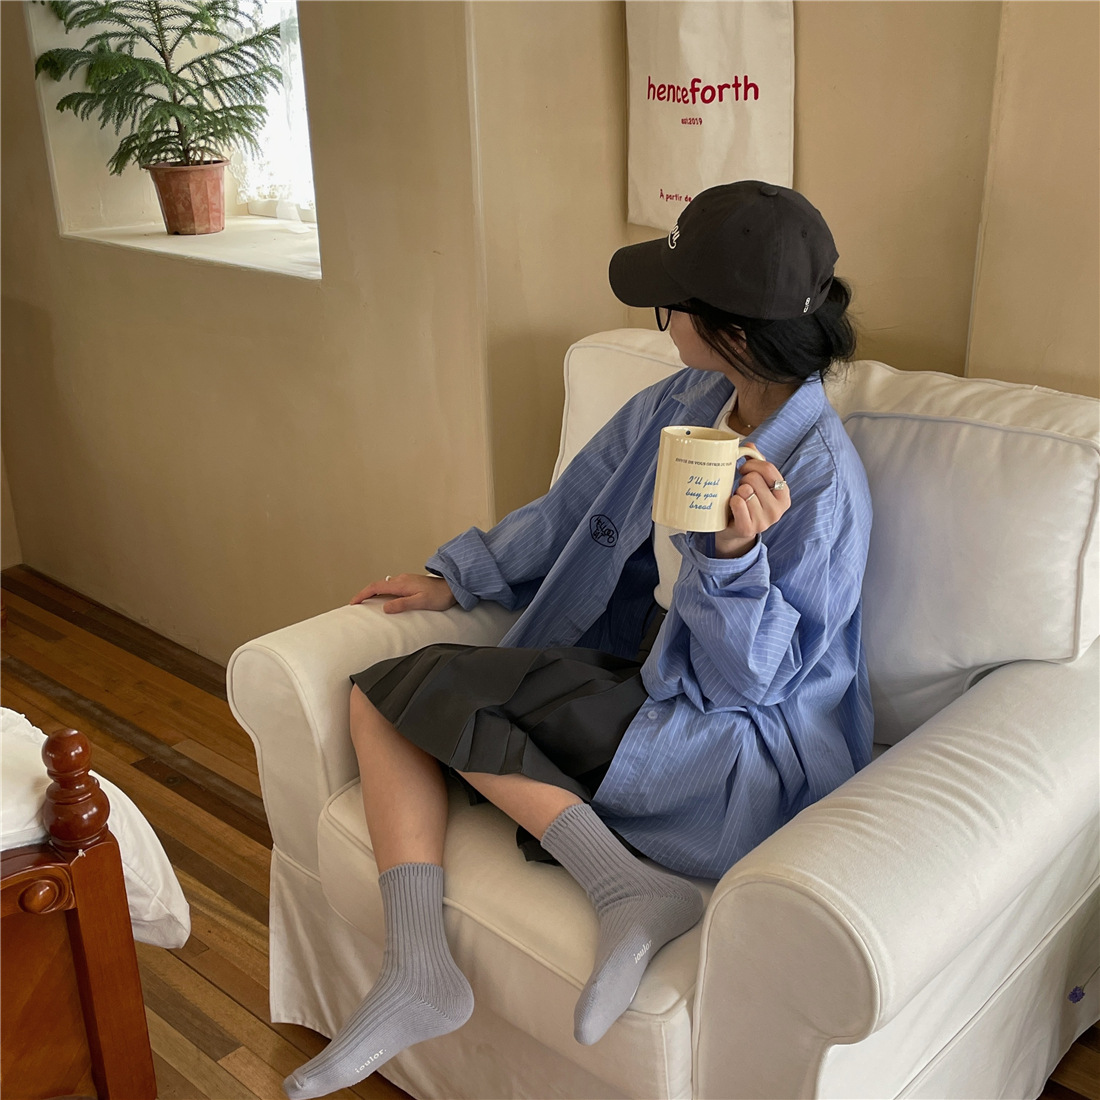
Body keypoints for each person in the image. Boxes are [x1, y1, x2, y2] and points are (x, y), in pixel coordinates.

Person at [283, 180, 873, 1100]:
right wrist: (460, 577)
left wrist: (733, 559)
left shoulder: (823, 482)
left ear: (733, 333)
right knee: (396, 696)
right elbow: (571, 511)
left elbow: (753, 684)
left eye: (670, 305)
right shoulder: (687, 396)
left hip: (727, 743)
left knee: (396, 697)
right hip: (649, 669)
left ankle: (590, 903)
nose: (660, 320)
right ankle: (427, 965)